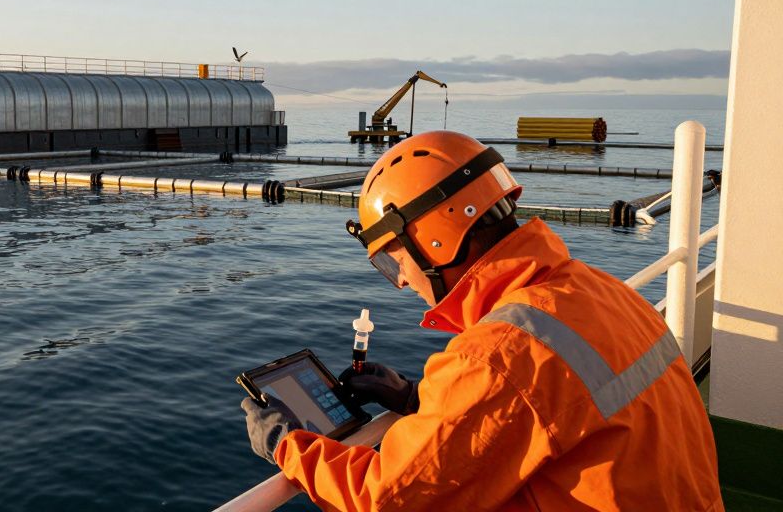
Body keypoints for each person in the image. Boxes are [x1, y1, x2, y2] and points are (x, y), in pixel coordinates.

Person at [241, 131, 722, 511]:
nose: (401, 281)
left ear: (434, 240)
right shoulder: (598, 289)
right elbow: (545, 409)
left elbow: (388, 498)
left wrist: (288, 445)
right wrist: (414, 399)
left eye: (392, 261)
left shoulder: (498, 355)